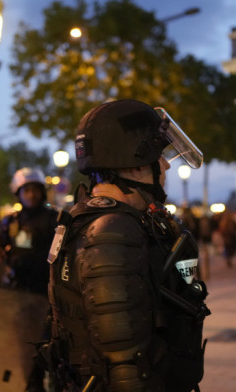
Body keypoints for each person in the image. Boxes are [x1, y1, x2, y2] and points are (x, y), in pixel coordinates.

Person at [43, 99, 210, 391]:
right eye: (158, 155)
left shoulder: (113, 221)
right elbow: (126, 365)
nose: (165, 164)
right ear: (133, 167)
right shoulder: (111, 232)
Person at [0, 167, 57, 391]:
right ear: (18, 193)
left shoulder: (54, 218)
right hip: (19, 295)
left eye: (35, 190)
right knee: (25, 349)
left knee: (53, 350)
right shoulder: (10, 222)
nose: (31, 195)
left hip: (48, 293)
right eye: (26, 190)